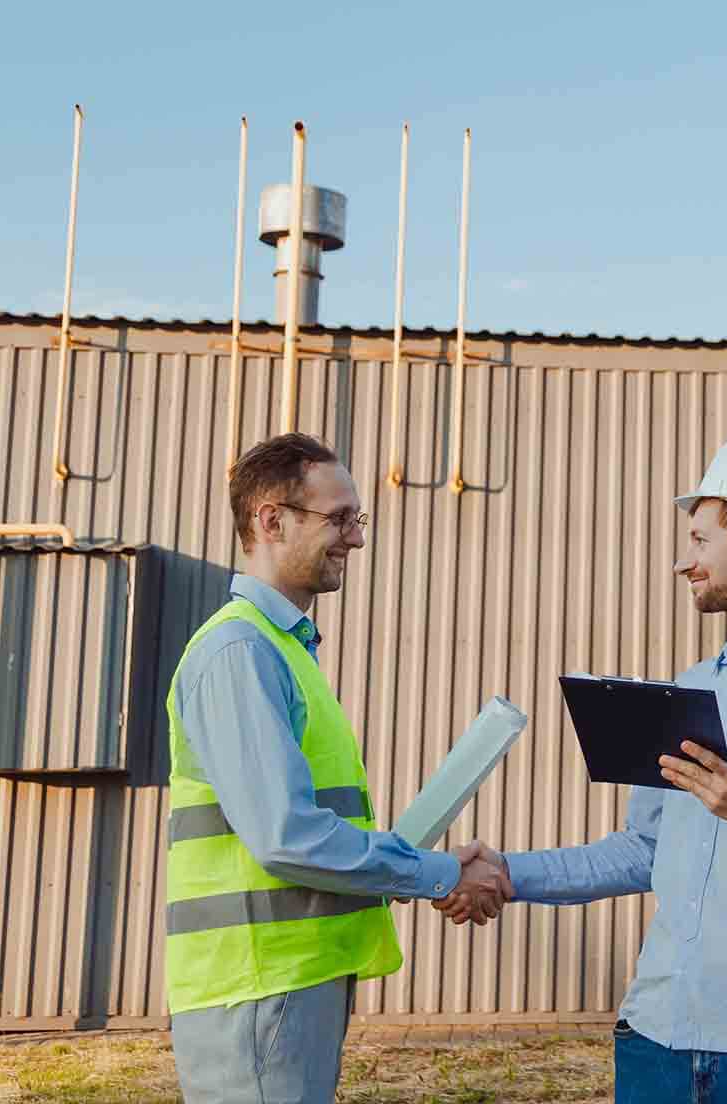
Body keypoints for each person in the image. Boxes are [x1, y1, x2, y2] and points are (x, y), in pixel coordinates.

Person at [438, 436, 727, 1104]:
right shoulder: (686, 690)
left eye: (699, 541)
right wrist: (509, 874)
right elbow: (645, 850)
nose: (681, 562)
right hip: (655, 1040)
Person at [166, 432, 510, 1104]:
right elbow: (287, 836)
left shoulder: (282, 650)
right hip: (259, 991)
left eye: (358, 519)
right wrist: (440, 872)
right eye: (339, 518)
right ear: (271, 520)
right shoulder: (240, 652)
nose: (356, 537)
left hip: (285, 985)